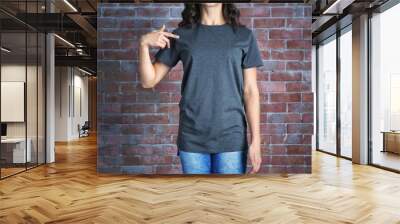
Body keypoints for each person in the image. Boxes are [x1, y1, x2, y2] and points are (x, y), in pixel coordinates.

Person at [139, 3, 264, 174]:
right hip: (192, 136)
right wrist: (144, 44)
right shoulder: (181, 35)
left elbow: (250, 91)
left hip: (231, 136)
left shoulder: (244, 36)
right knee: (197, 199)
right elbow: (149, 81)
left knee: (228, 200)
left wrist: (256, 139)